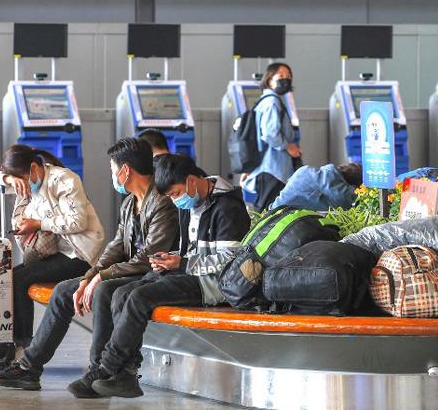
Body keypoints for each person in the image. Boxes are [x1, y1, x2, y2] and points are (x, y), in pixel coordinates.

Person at [0, 138, 179, 392]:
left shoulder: (161, 202)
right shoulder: (130, 202)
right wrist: (92, 274)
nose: (112, 175)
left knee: (103, 290)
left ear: (125, 171)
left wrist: (101, 277)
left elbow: (148, 257)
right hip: (127, 270)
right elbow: (117, 246)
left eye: (112, 169)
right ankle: (29, 368)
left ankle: (98, 371)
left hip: (150, 274)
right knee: (63, 291)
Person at [85, 154, 251, 399]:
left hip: (213, 285)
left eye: (175, 193)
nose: (175, 200)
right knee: (122, 292)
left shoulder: (228, 208)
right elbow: (189, 251)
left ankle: (107, 368)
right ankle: (125, 375)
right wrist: (170, 258)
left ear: (192, 181)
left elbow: (229, 260)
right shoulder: (189, 204)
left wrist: (182, 263)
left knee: (140, 297)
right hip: (188, 273)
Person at [0, 144, 106, 352]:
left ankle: (23, 346)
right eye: (17, 184)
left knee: (19, 280)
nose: (22, 188)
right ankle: (15, 343)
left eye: (22, 181)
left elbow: (78, 222)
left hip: (78, 255)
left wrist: (38, 224)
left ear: (33, 168)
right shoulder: (26, 182)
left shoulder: (64, 180)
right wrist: (8, 179)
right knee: (7, 277)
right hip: (56, 253)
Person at [243, 62, 301, 210]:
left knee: (267, 211)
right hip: (273, 169)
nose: (286, 79)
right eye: (281, 75)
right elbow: (270, 134)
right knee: (270, 212)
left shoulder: (265, 101)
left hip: (266, 167)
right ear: (269, 80)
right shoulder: (272, 102)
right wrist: (288, 147)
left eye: (289, 76)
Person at [269, 163, 362, 212]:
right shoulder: (338, 192)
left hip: (272, 214)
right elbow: (351, 198)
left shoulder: (305, 170)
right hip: (278, 220)